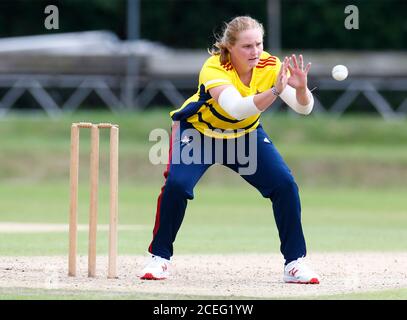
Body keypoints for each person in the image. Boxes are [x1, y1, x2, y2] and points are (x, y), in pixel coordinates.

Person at [140, 16, 320, 284]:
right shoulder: (214, 68)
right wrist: (274, 91)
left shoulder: (270, 65)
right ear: (230, 47)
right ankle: (159, 258)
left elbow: (304, 108)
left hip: (244, 137)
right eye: (247, 46)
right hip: (200, 133)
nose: (255, 52)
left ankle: (295, 263)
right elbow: (236, 108)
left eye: (259, 44)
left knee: (285, 185)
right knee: (177, 186)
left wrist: (303, 89)